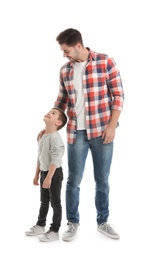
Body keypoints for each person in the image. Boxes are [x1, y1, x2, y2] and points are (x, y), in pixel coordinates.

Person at [38, 28, 124, 241]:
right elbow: (61, 101)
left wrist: (112, 126)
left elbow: (119, 95)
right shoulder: (65, 70)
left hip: (102, 132)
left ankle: (102, 222)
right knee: (73, 180)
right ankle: (72, 223)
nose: (64, 55)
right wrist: (50, 128)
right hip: (76, 134)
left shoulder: (105, 62)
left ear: (78, 46)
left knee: (102, 179)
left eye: (66, 50)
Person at [25, 108, 67, 242]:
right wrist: (36, 175)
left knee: (55, 203)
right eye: (50, 111)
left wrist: (49, 177)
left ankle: (54, 230)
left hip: (54, 174)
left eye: (53, 113)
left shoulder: (55, 138)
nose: (49, 113)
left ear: (58, 122)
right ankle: (40, 225)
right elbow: (40, 157)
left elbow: (55, 159)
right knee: (44, 202)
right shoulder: (43, 136)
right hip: (44, 173)